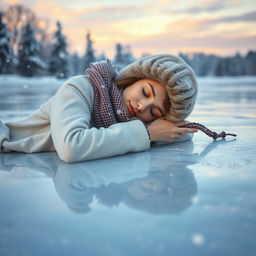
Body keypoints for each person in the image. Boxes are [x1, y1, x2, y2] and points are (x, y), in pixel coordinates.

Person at [0, 54, 198, 163]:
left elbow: (179, 133)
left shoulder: (128, 123)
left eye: (154, 112)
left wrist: (172, 127)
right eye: (145, 92)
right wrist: (146, 134)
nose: (141, 107)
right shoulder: (81, 88)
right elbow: (71, 147)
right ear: (135, 77)